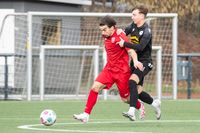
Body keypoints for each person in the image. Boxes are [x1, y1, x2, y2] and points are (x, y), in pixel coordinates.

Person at [73, 15, 145, 123]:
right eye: (101, 30)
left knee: (126, 99)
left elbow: (131, 51)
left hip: (122, 73)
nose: (102, 32)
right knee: (95, 87)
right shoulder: (106, 37)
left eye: (105, 29)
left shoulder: (121, 36)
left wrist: (135, 61)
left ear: (112, 28)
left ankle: (140, 106)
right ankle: (86, 114)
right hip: (109, 70)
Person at [116, 5, 161, 121]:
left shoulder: (147, 31)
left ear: (141, 16)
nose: (132, 17)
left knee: (132, 81)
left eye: (134, 15)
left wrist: (125, 44)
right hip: (134, 62)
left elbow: (140, 47)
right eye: (132, 14)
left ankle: (131, 111)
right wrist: (120, 32)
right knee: (138, 91)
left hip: (145, 62)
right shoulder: (133, 26)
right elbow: (125, 32)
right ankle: (154, 103)